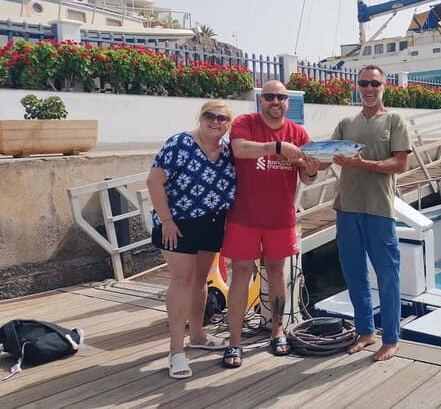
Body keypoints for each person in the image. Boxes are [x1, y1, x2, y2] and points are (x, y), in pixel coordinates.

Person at [220, 79, 319, 368]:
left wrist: (312, 170)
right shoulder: (245, 122)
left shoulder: (299, 132)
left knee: (277, 273)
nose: (276, 102)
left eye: (281, 97)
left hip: (280, 219)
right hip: (244, 217)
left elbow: (307, 177)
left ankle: (278, 332)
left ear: (288, 102)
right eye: (270, 97)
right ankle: (234, 341)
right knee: (240, 274)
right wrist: (277, 147)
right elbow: (240, 149)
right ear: (261, 100)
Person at [146, 100, 237, 379]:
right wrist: (167, 221)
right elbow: (154, 181)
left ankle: (198, 335)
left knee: (200, 280)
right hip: (178, 223)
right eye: (210, 116)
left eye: (222, 118)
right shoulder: (180, 143)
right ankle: (176, 350)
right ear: (201, 117)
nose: (215, 122)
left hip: (212, 222)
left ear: (228, 124)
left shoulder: (227, 150)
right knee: (182, 281)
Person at [330, 65, 411, 361]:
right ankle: (365, 331)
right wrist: (307, 159)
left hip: (379, 209)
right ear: (357, 86)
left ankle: (391, 338)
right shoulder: (346, 123)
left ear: (383, 86)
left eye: (374, 83)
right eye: (364, 83)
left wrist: (363, 164)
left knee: (387, 275)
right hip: (347, 208)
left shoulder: (394, 120)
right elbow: (327, 157)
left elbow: (400, 163)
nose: (368, 88)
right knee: (354, 273)